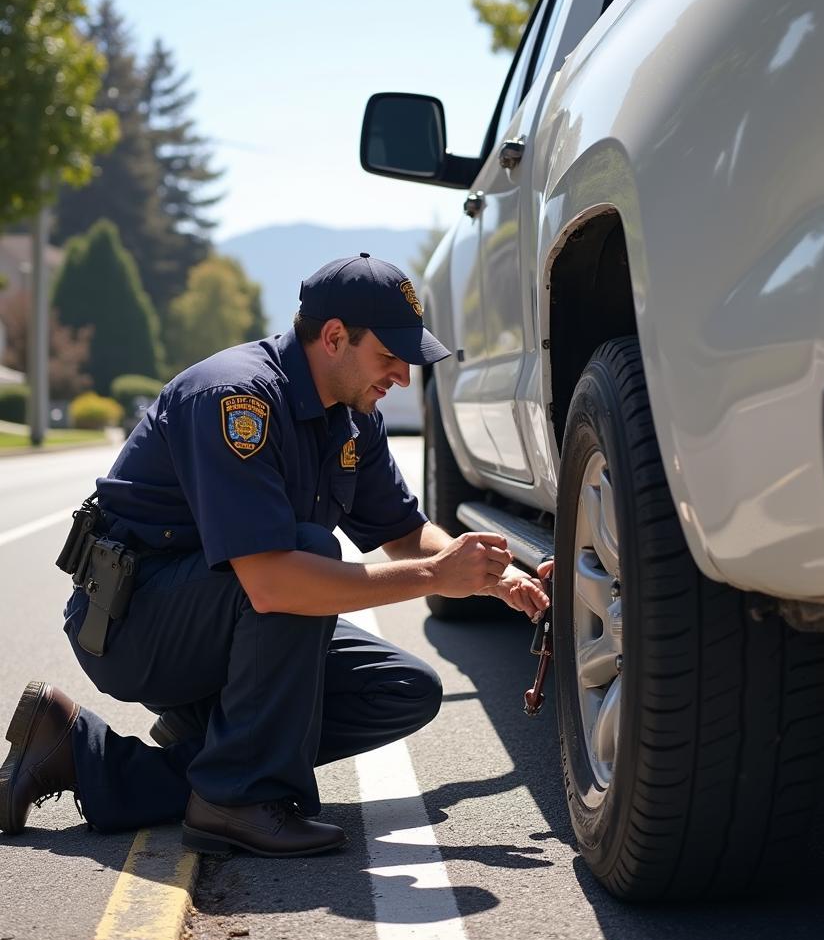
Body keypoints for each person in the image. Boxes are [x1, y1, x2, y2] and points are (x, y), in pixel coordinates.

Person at [0, 253, 551, 857]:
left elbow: (404, 531)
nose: (401, 376)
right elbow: (273, 585)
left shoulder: (351, 418)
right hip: (133, 626)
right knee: (305, 557)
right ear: (335, 337)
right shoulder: (236, 399)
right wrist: (432, 577)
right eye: (389, 356)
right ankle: (235, 798)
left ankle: (90, 750)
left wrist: (493, 573)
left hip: (213, 619)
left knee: (402, 687)